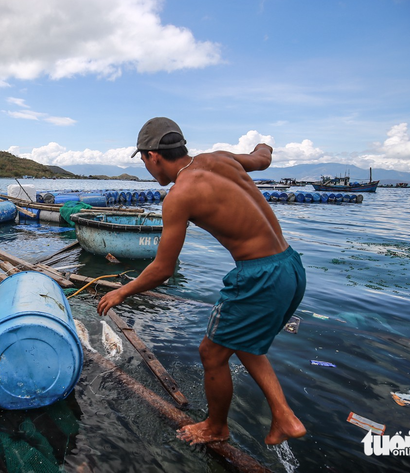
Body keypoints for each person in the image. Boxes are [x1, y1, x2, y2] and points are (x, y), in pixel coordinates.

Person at [97, 117, 307, 445]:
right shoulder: (220, 158)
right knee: (239, 338)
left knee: (211, 352)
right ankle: (283, 415)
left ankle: (216, 427)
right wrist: (264, 144)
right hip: (291, 267)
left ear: (153, 155)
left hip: (259, 276)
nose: (147, 169)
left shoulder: (180, 195)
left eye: (143, 161)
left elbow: (163, 269)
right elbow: (262, 158)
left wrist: (121, 292)